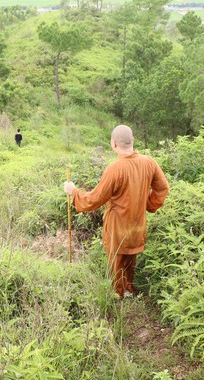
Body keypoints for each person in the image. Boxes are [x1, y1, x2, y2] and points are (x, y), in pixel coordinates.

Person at [63, 125, 169, 298]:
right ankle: (129, 290)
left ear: (113, 144)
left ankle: (118, 295)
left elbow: (94, 200)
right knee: (130, 260)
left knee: (116, 262)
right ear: (132, 141)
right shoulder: (149, 162)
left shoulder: (115, 169)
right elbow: (163, 188)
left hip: (117, 228)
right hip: (137, 225)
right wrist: (148, 205)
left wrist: (73, 191)